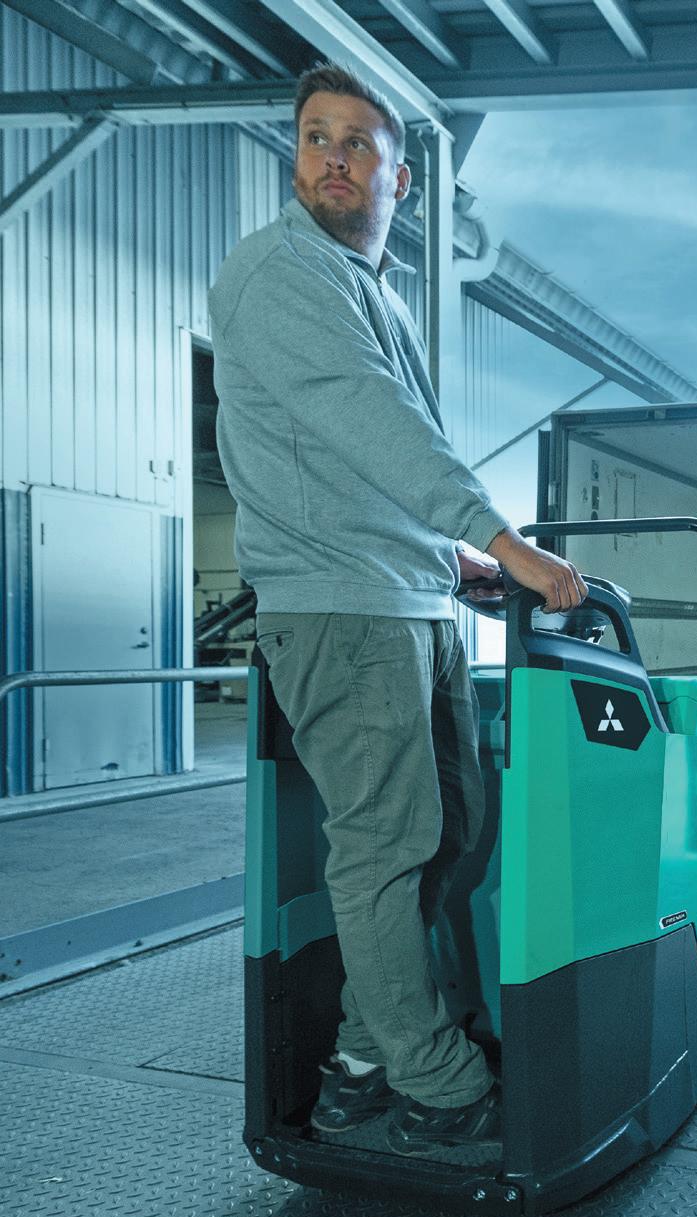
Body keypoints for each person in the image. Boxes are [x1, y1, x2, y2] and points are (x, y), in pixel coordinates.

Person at [209, 64, 587, 1158]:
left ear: (399, 177)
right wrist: (500, 537)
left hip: (406, 598)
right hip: (341, 610)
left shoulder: (365, 287)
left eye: (357, 141)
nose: (333, 156)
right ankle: (437, 1085)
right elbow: (371, 421)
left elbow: (362, 463)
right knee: (385, 848)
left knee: (450, 832)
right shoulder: (279, 272)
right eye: (315, 137)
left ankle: (364, 1062)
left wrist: (449, 561)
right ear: (296, 158)